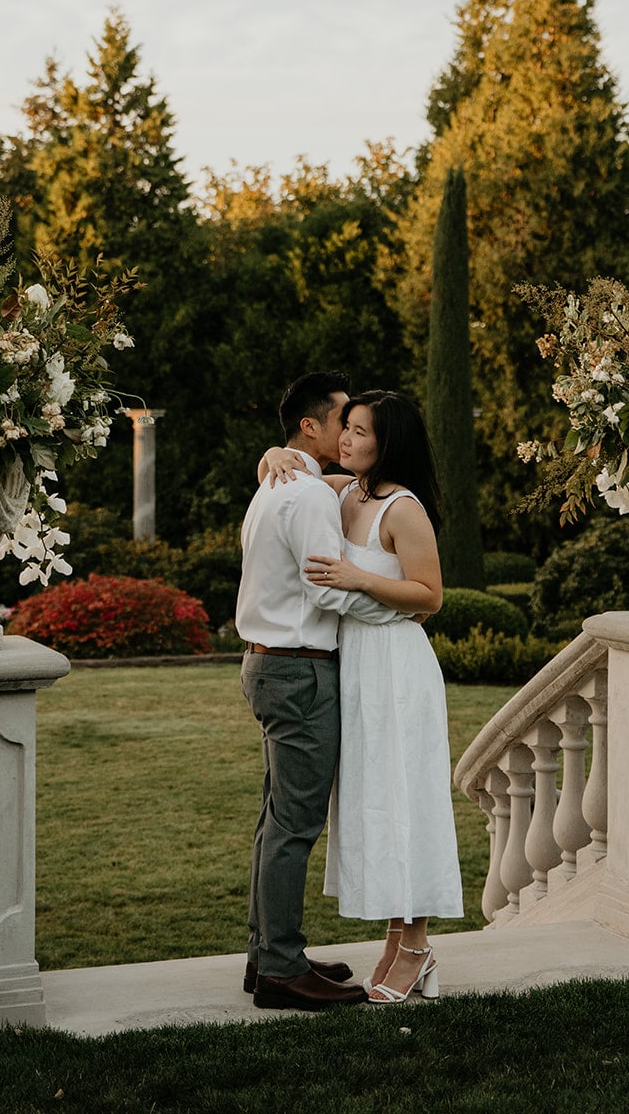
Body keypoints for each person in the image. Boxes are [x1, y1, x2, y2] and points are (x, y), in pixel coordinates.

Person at [263, 389, 463, 1004]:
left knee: (408, 799)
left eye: (359, 433)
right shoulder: (345, 492)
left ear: (388, 443)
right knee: (374, 802)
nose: (346, 440)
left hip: (397, 669)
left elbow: (429, 596)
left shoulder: (403, 509)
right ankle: (395, 940)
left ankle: (417, 946)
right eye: (344, 429)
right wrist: (273, 453)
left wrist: (360, 577)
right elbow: (293, 466)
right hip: (354, 667)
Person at [236, 371, 408, 1011]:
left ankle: (267, 956)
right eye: (344, 419)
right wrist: (396, 606)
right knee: (293, 825)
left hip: (269, 663)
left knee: (274, 818)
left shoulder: (276, 486)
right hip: (300, 670)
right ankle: (280, 969)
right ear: (311, 426)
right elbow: (326, 587)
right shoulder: (303, 494)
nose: (352, 430)